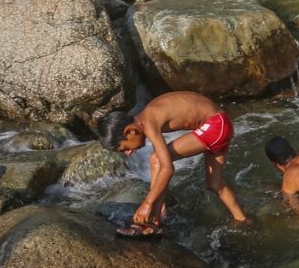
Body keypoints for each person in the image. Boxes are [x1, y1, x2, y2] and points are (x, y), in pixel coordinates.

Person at [98, 92, 247, 237]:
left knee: (156, 159)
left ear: (130, 131)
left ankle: (153, 222)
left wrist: (147, 203)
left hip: (215, 125)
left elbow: (168, 169)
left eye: (125, 148)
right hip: (220, 123)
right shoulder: (145, 116)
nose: (129, 153)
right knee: (215, 184)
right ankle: (242, 219)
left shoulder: (149, 122)